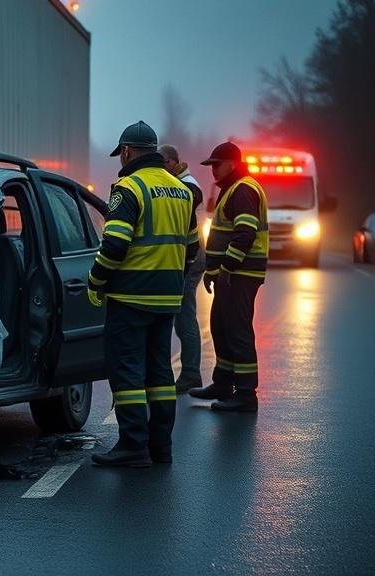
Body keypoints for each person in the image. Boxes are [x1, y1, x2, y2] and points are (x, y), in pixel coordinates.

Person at [87, 121, 198, 467]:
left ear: (127, 152)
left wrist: (96, 280)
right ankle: (160, 447)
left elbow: (115, 244)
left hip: (131, 296)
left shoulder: (128, 188)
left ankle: (133, 444)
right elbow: (192, 248)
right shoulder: (180, 190)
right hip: (167, 297)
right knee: (160, 372)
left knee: (127, 371)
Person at [189, 142, 268, 412]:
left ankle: (246, 394)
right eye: (211, 165)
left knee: (237, 331)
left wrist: (226, 268)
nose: (213, 170)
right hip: (231, 274)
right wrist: (213, 272)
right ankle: (223, 383)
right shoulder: (232, 189)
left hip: (240, 274)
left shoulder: (243, 189)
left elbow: (245, 234)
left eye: (217, 164)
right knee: (221, 326)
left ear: (232, 164)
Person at [159, 144, 206, 393]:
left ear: (175, 162)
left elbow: (190, 200)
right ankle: (189, 373)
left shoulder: (188, 185)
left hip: (191, 258)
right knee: (181, 318)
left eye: (163, 161)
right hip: (186, 256)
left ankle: (190, 374)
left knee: (185, 317)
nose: (161, 166)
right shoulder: (180, 182)